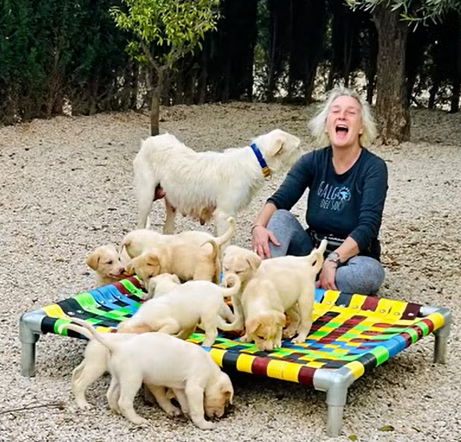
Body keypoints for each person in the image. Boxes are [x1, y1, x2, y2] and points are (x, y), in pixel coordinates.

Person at [251, 86, 388, 295]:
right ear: (326, 125)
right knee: (279, 218)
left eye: (351, 112)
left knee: (370, 274)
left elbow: (368, 227)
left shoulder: (374, 167)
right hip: (311, 253)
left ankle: (292, 283)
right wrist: (258, 227)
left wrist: (333, 261)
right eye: (335, 111)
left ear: (361, 127)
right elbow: (280, 200)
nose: (342, 116)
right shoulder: (311, 161)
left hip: (351, 258)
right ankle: (269, 288)